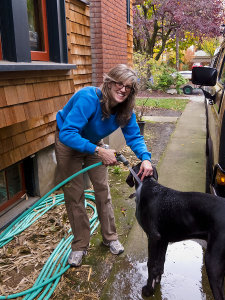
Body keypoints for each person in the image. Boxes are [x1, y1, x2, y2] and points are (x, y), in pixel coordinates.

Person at [55, 64, 153, 267]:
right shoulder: (88, 98)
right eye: (119, 83)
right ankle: (80, 245)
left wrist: (145, 158)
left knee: (102, 190)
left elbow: (134, 136)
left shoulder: (125, 110)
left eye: (129, 87)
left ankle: (110, 237)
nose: (123, 89)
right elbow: (67, 133)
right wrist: (100, 151)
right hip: (69, 143)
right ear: (109, 83)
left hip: (94, 144)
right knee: (75, 194)